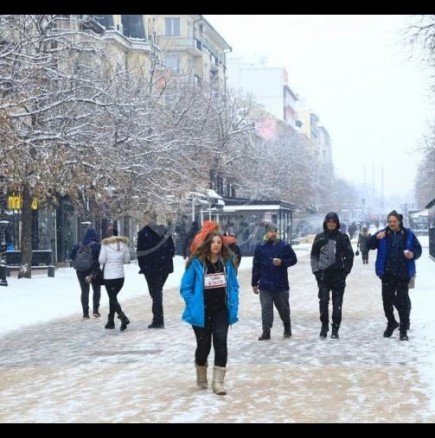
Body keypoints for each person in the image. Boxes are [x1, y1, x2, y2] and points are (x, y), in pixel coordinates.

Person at [180, 230, 239, 395]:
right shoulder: (196, 263)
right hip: (201, 311)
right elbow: (185, 287)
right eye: (213, 242)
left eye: (219, 242)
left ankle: (218, 383)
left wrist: (234, 302)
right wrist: (192, 303)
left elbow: (234, 286)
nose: (216, 245)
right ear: (207, 244)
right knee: (203, 347)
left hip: (221, 310)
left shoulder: (226, 263)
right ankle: (201, 371)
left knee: (221, 343)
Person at [368, 210, 422, 341]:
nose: (392, 224)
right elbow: (369, 245)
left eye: (394, 221)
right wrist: (375, 238)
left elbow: (418, 249)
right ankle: (391, 322)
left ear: (399, 221)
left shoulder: (408, 234)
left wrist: (412, 254)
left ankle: (403, 330)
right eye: (390, 221)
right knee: (387, 301)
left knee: (402, 302)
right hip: (387, 273)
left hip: (403, 273)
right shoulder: (383, 233)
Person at [310, 212, 354, 339]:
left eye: (333, 221)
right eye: (329, 221)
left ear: (337, 223)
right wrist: (316, 271)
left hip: (338, 275)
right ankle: (324, 326)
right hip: (323, 275)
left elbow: (349, 255)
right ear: (325, 222)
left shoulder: (343, 238)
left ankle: (335, 328)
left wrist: (345, 270)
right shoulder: (319, 237)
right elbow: (314, 256)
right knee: (323, 302)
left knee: (337, 303)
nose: (331, 224)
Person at [251, 223, 298, 340]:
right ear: (266, 233)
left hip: (280, 284)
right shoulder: (260, 247)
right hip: (265, 284)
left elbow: (293, 259)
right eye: (271, 231)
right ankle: (266, 331)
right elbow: (256, 265)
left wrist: (282, 262)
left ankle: (287, 327)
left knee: (283, 309)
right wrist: (254, 282)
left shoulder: (283, 245)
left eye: (275, 231)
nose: (273, 233)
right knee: (266, 308)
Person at [136, 210, 175, 329]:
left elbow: (140, 252)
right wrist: (166, 259)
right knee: (157, 291)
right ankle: (158, 317)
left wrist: (143, 266)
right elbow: (171, 249)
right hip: (163, 267)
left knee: (155, 292)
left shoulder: (143, 234)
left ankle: (158, 319)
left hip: (150, 268)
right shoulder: (164, 232)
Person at [99, 228, 131, 331]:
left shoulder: (105, 244)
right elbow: (127, 260)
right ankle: (111, 321)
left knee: (112, 298)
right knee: (113, 298)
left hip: (109, 277)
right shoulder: (124, 244)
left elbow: (101, 260)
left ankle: (122, 317)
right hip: (120, 277)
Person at [70, 227, 101, 319]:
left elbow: (72, 257)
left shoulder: (78, 245)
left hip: (80, 271)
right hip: (94, 271)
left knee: (84, 291)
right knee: (96, 290)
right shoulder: (97, 245)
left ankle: (85, 312)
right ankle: (95, 310)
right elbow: (101, 258)